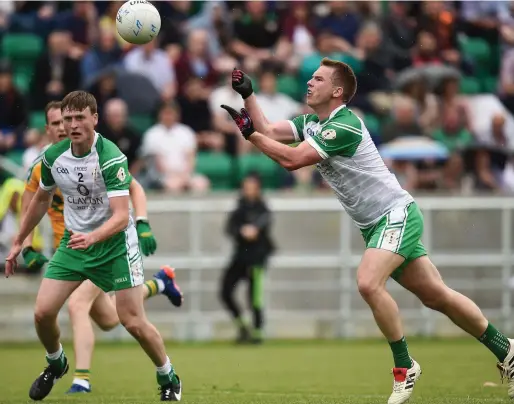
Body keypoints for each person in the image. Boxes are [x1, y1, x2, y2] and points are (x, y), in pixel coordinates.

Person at [221, 60, 514, 404]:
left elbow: (291, 159)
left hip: (396, 215)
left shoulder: (344, 125)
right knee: (437, 296)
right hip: (375, 225)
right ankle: (507, 351)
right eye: (311, 78)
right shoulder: (313, 123)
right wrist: (249, 95)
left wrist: (249, 133)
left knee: (368, 282)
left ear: (337, 90)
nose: (310, 83)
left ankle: (405, 367)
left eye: (318, 79)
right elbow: (269, 131)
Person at [5, 91, 182, 402]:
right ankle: (57, 362)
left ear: (94, 119)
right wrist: (19, 241)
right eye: (67, 119)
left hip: (114, 245)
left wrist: (137, 224)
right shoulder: (52, 158)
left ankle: (168, 375)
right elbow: (40, 199)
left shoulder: (111, 157)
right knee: (43, 313)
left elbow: (118, 217)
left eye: (78, 118)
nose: (71, 125)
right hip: (75, 245)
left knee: (131, 322)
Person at [220, 173, 274, 344]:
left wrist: (254, 230)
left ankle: (257, 332)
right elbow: (230, 228)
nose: (248, 190)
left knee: (255, 296)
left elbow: (263, 224)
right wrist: (241, 231)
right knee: (225, 291)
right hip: (240, 257)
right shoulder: (239, 208)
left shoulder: (263, 209)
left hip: (256, 258)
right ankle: (243, 325)